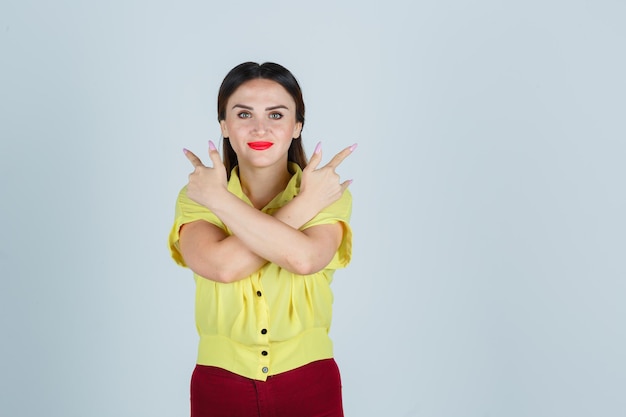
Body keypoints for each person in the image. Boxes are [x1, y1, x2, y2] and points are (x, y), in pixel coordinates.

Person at [168, 61, 356, 417]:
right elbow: (223, 267)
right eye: (243, 114)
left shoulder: (328, 194)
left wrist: (221, 202)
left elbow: (304, 259)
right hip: (219, 381)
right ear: (224, 125)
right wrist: (305, 205)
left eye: (275, 114)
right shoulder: (197, 197)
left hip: (311, 380)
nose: (259, 127)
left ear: (297, 125)